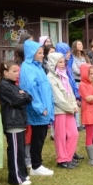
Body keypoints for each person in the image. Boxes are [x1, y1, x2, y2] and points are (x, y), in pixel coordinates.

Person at [18, 40, 55, 176]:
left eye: (42, 53)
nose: (42, 55)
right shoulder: (27, 68)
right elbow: (30, 90)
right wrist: (40, 108)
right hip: (37, 111)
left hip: (44, 109)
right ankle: (36, 166)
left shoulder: (37, 67)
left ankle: (37, 164)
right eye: (39, 53)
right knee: (37, 138)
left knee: (41, 137)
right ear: (31, 54)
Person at [0, 61, 33, 185]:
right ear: (5, 72)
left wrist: (23, 96)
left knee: (20, 150)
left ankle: (22, 174)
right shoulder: (4, 85)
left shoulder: (13, 85)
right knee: (15, 150)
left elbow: (28, 97)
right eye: (14, 71)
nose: (17, 74)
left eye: (18, 71)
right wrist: (22, 97)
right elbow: (18, 100)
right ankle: (16, 178)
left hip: (19, 121)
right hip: (12, 122)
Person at [47, 53, 79, 169]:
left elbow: (70, 92)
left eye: (63, 62)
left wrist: (74, 105)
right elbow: (58, 98)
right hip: (59, 111)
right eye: (60, 62)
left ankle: (68, 157)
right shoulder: (50, 77)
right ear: (53, 64)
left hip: (69, 110)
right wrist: (71, 108)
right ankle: (62, 159)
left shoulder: (64, 75)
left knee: (74, 134)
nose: (63, 64)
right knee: (60, 136)